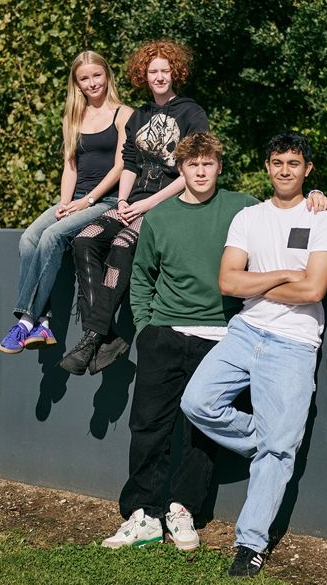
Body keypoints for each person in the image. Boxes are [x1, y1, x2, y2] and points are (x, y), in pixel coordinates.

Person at [180, 131, 327, 578]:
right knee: (196, 402)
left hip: (293, 344)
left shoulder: (321, 219)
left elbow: (314, 289)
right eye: (277, 162)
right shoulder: (248, 217)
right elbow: (229, 282)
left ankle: (250, 544)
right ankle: (269, 445)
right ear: (267, 167)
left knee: (278, 448)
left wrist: (261, 279)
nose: (285, 170)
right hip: (245, 331)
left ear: (307, 169)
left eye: (293, 162)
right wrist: (283, 273)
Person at [101, 132, 257, 550]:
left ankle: (183, 509)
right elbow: (141, 278)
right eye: (192, 165)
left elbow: (287, 214)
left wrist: (316, 196)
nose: (201, 171)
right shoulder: (161, 216)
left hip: (222, 339)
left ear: (218, 166)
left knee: (200, 430)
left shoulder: (243, 208)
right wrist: (148, 328)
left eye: (208, 163)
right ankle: (143, 514)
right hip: (164, 333)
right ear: (181, 169)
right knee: (149, 424)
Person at [60, 39, 209, 375]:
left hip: (168, 205)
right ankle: (106, 335)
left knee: (123, 244)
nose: (159, 76)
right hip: (135, 201)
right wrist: (125, 201)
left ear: (175, 73)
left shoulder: (191, 112)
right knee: (85, 238)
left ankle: (92, 336)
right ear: (144, 74)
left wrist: (149, 205)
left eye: (165, 70)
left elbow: (192, 169)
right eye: (153, 70)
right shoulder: (138, 115)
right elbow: (129, 164)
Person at [0, 51, 132, 354]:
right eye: (84, 78)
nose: (92, 82)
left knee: (53, 236)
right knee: (29, 238)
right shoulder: (73, 116)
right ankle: (43, 324)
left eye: (97, 75)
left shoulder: (124, 114)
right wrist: (64, 202)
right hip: (76, 198)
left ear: (107, 75)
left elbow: (121, 166)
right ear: (77, 84)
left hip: (105, 199)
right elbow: (70, 166)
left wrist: (88, 200)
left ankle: (25, 320)